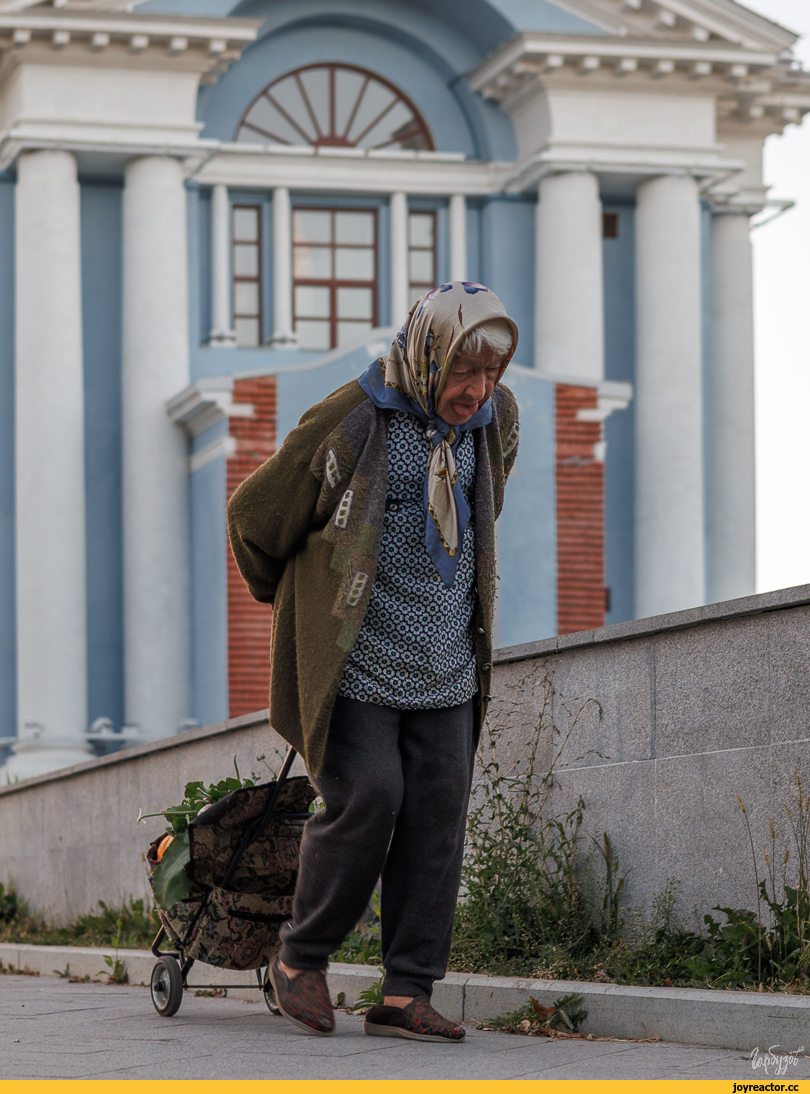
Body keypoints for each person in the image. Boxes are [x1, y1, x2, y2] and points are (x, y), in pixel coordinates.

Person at [227, 281, 520, 1042]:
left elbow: (482, 510)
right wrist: (299, 606)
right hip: (356, 665)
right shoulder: (355, 417)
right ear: (427, 355)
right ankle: (301, 957)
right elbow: (256, 518)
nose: (476, 390)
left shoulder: (495, 422)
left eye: (490, 373)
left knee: (437, 819)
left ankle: (405, 992)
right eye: (463, 371)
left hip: (446, 665)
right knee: (370, 800)